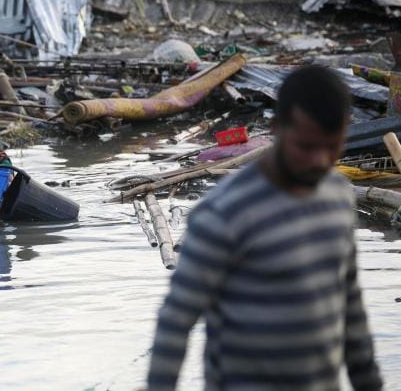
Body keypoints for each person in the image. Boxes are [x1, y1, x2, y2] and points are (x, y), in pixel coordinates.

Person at [147, 65, 383, 391]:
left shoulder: (337, 197)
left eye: (331, 147)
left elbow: (350, 306)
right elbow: (176, 320)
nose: (319, 161)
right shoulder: (224, 214)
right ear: (276, 129)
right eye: (306, 146)